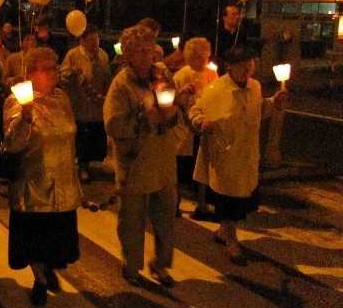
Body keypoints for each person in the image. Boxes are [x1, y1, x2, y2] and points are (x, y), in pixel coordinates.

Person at [189, 45, 287, 266]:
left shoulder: (255, 86)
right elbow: (196, 111)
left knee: (242, 198)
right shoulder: (215, 89)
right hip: (225, 153)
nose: (247, 70)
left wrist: (273, 103)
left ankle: (224, 230)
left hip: (247, 153)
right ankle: (231, 240)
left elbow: (258, 112)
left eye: (250, 65)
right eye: (242, 66)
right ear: (230, 67)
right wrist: (201, 122)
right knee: (228, 199)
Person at [103, 25, 182, 287]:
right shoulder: (121, 86)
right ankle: (132, 264)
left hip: (162, 159)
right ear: (128, 55)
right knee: (132, 218)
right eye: (141, 51)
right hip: (136, 162)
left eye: (150, 50)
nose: (149, 56)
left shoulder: (161, 75)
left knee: (165, 215)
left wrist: (170, 114)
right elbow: (113, 126)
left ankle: (160, 263)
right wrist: (141, 118)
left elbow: (173, 108)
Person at [3, 47, 82, 306]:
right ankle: (39, 278)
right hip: (34, 184)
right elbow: (12, 144)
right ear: (31, 73)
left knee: (55, 241)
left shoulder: (63, 98)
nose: (53, 72)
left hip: (62, 182)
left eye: (54, 66)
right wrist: (25, 117)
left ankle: (47, 268)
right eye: (46, 68)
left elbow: (71, 133)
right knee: (34, 240)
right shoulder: (18, 100)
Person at [172, 37, 218, 218]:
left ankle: (202, 204)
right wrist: (183, 94)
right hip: (185, 130)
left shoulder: (211, 74)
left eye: (206, 56)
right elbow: (173, 102)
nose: (204, 60)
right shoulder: (181, 76)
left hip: (203, 127)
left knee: (202, 168)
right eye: (200, 57)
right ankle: (175, 204)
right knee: (183, 169)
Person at [60, 25, 112, 182]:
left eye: (97, 39)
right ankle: (82, 166)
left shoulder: (102, 55)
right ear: (82, 41)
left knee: (96, 136)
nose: (95, 42)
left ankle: (91, 162)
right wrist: (73, 73)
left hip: (97, 103)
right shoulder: (73, 55)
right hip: (80, 104)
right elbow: (62, 77)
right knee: (83, 136)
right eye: (91, 39)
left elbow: (107, 75)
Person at [215, 5, 247, 75]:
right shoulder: (217, 36)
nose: (237, 17)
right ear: (224, 18)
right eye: (233, 14)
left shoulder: (241, 36)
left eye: (238, 14)